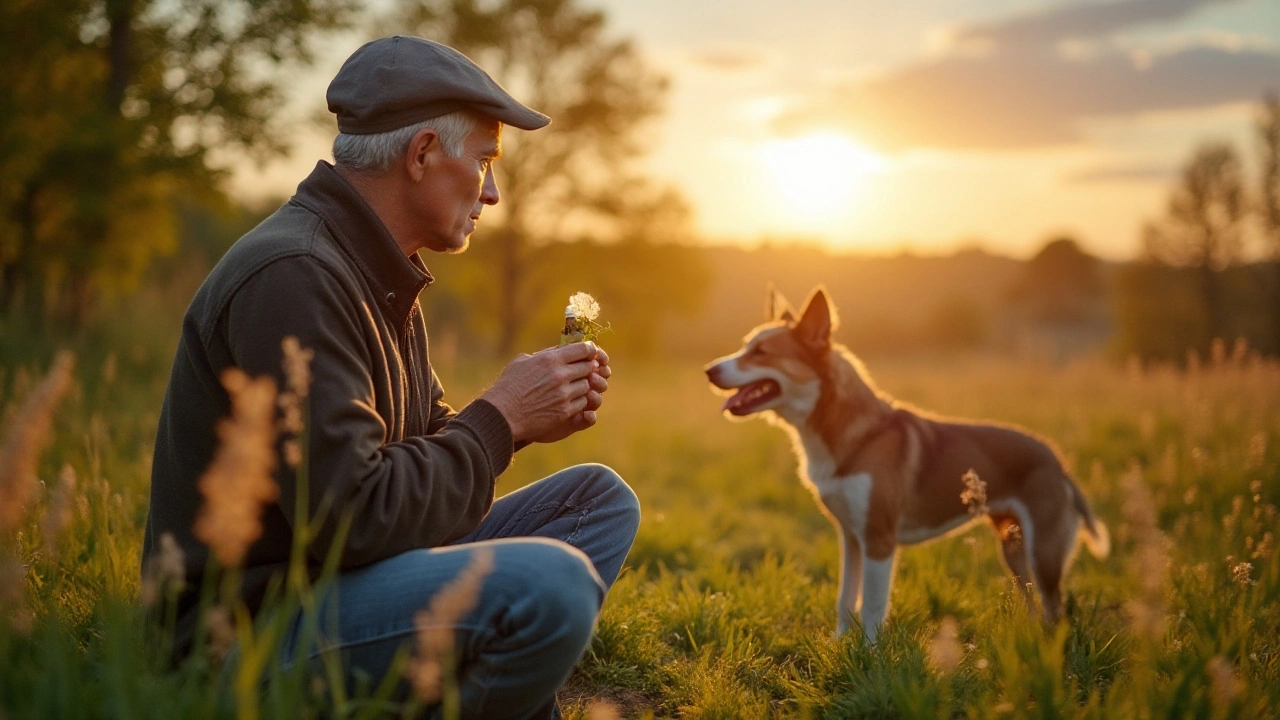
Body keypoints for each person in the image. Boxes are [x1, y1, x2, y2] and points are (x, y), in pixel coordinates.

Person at [142, 35, 641, 719]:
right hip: (248, 638)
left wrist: (524, 417)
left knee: (597, 503)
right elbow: (353, 517)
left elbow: (422, 442)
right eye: (487, 162)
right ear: (424, 153)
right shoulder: (296, 276)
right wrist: (502, 418)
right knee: (550, 586)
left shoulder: (378, 270)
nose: (492, 193)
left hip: (342, 584)